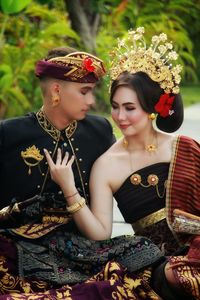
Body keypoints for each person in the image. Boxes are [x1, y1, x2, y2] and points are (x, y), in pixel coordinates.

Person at [40, 28, 199, 300]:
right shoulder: (107, 164)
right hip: (157, 267)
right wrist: (69, 189)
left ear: (150, 109)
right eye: (115, 106)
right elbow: (101, 233)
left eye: (129, 108)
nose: (120, 116)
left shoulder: (183, 147)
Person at [0, 46, 162, 298]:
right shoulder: (9, 134)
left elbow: (127, 178)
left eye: (92, 92)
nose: (91, 101)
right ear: (56, 91)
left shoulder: (98, 131)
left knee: (142, 251)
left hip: (81, 249)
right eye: (84, 92)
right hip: (19, 247)